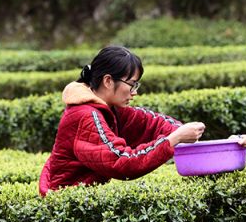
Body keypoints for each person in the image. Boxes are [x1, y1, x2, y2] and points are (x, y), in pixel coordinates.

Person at [39, 46, 205, 196]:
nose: (134, 93)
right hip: (63, 209)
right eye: (132, 84)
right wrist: (173, 139)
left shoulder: (109, 108)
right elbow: (122, 162)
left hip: (82, 202)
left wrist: (181, 131)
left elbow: (150, 122)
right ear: (108, 81)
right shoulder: (85, 116)